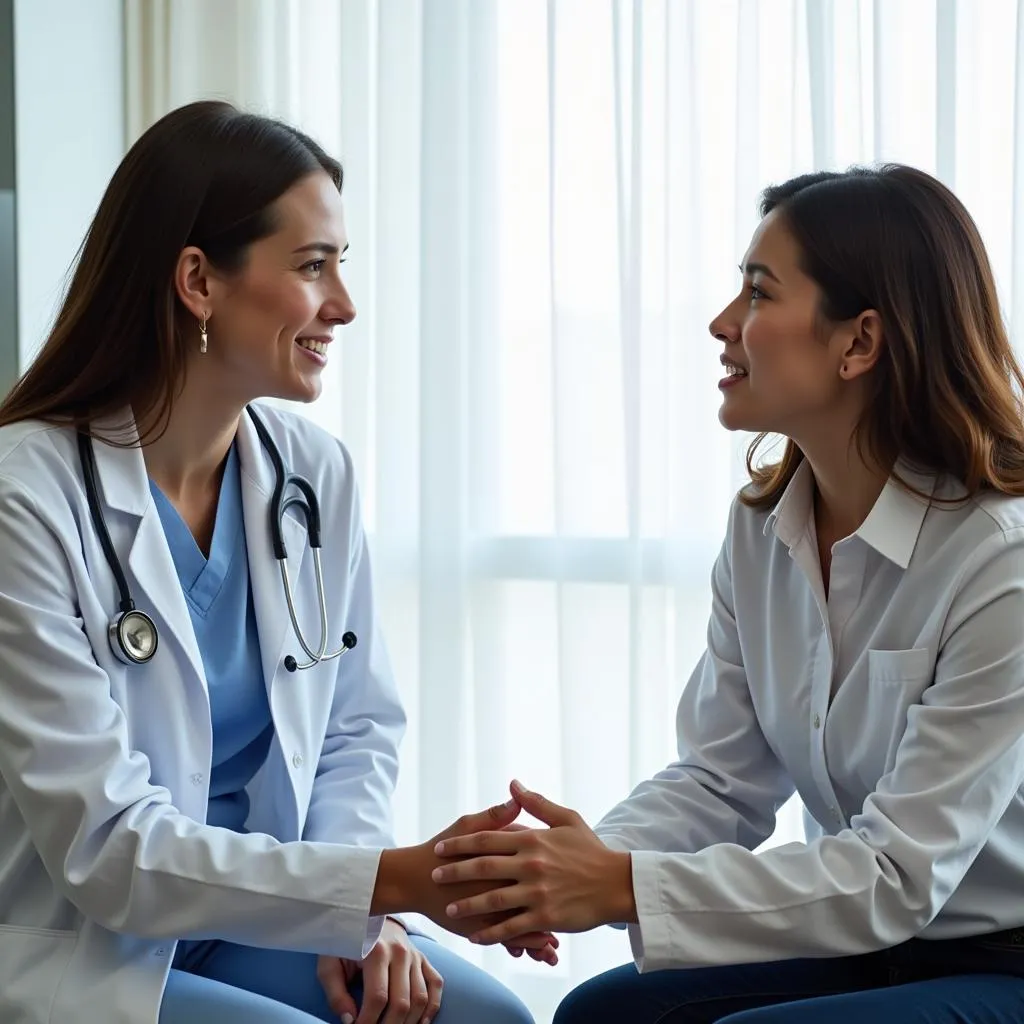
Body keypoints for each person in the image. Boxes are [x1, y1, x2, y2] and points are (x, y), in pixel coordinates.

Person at [0, 100, 555, 1024]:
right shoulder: (27, 495)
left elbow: (356, 727)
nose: (343, 303)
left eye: (341, 265)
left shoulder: (312, 472)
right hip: (88, 943)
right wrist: (393, 880)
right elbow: (106, 848)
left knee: (487, 1021)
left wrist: (364, 915)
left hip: (263, 917)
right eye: (312, 266)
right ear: (197, 281)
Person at [430, 165, 1024, 1023]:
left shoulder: (998, 561)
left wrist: (620, 885)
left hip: (1001, 956)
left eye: (757, 293)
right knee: (603, 1016)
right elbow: (721, 782)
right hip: (868, 944)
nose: (721, 324)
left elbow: (898, 874)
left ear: (859, 343)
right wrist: (569, 865)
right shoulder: (761, 531)